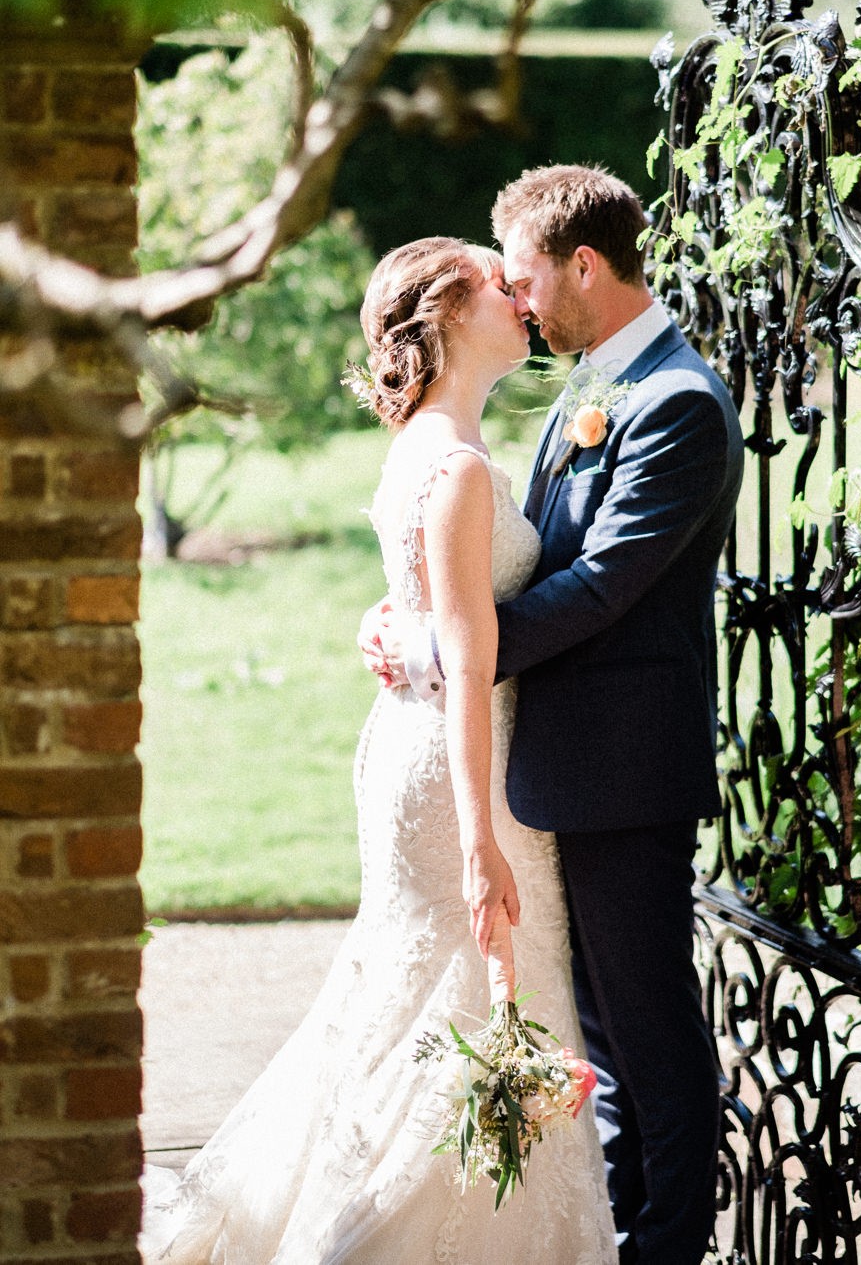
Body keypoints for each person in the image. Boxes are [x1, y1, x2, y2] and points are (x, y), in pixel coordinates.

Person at [139, 237, 617, 1265]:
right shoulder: (456, 470)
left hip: (416, 745)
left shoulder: (432, 450)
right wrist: (478, 838)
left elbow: (431, 617)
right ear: (445, 313)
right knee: (466, 1001)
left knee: (409, 1000)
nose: (521, 297)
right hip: (456, 771)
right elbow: (469, 657)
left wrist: (396, 636)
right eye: (498, 284)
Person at [365, 165, 745, 1264]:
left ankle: (667, 1245)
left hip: (625, 771)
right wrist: (407, 617)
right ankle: (624, 1235)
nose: (519, 301)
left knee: (652, 1038)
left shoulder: (673, 401)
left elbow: (601, 586)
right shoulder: (595, 384)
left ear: (584, 264)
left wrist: (443, 653)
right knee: (608, 1042)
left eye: (525, 278)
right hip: (563, 768)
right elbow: (490, 564)